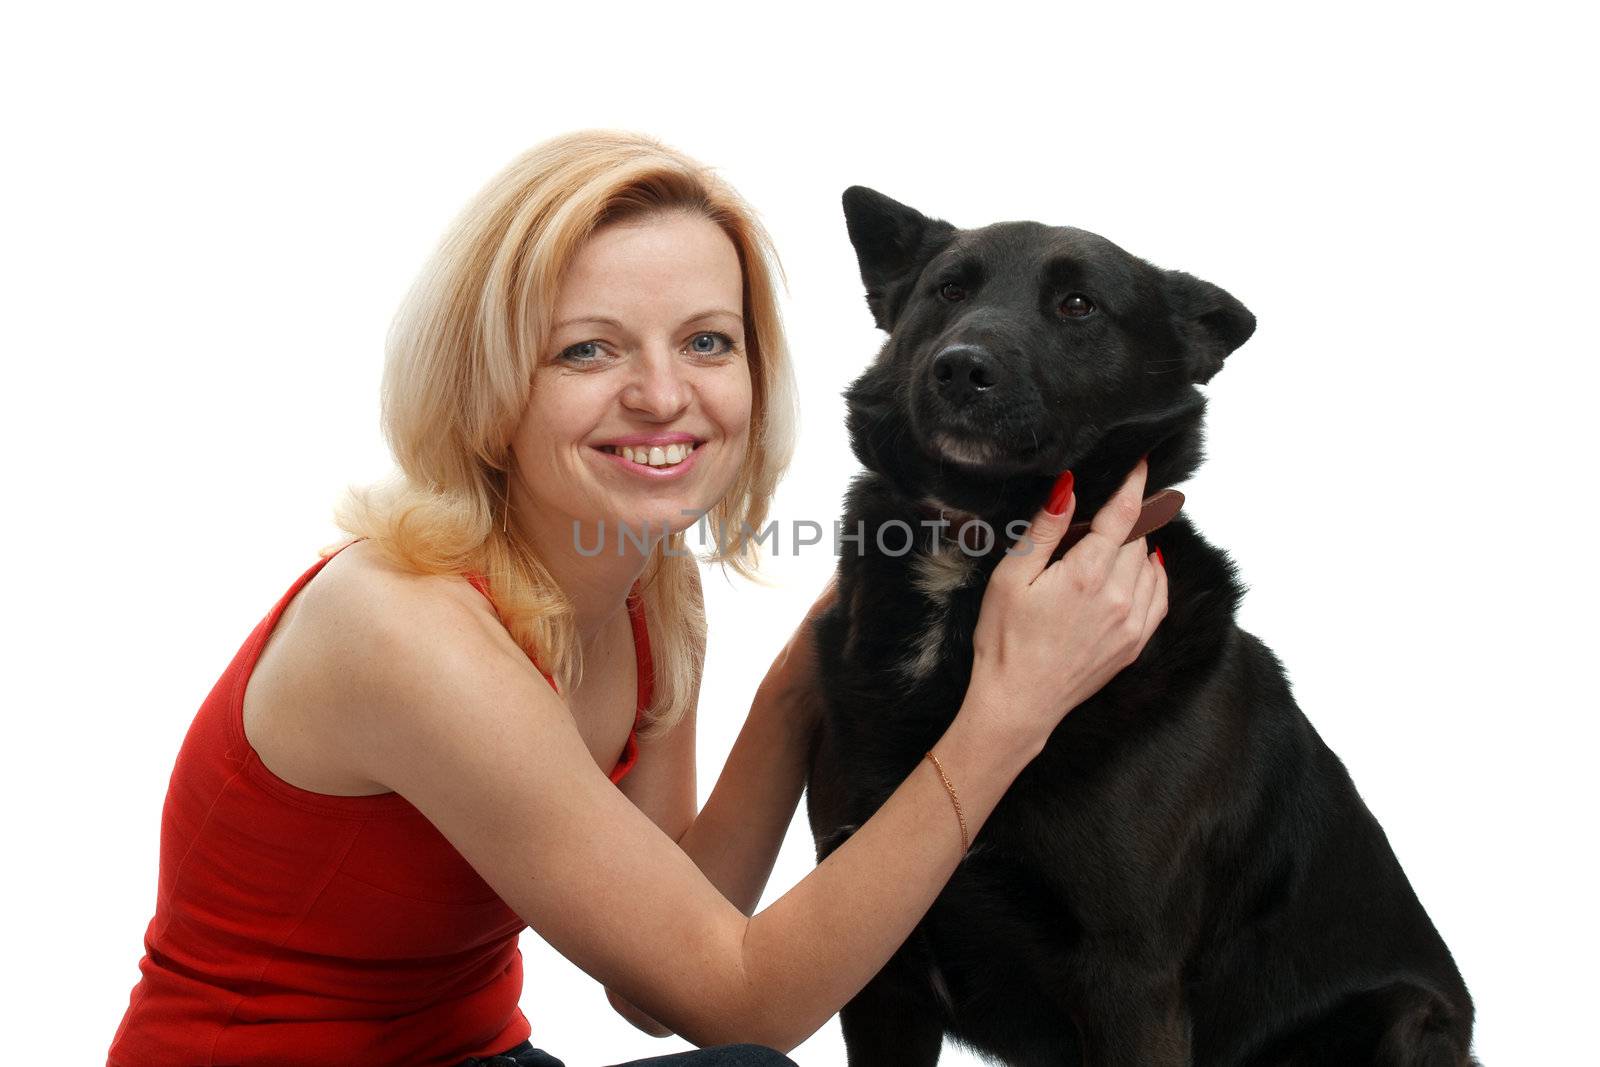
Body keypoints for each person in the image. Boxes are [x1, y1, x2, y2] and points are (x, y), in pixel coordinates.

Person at [106, 130, 1168, 1067]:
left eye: (706, 340)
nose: (664, 395)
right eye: (587, 348)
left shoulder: (646, 586)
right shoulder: (401, 627)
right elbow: (738, 1000)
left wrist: (838, 641)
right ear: (489, 380)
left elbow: (661, 973)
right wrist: (1008, 708)